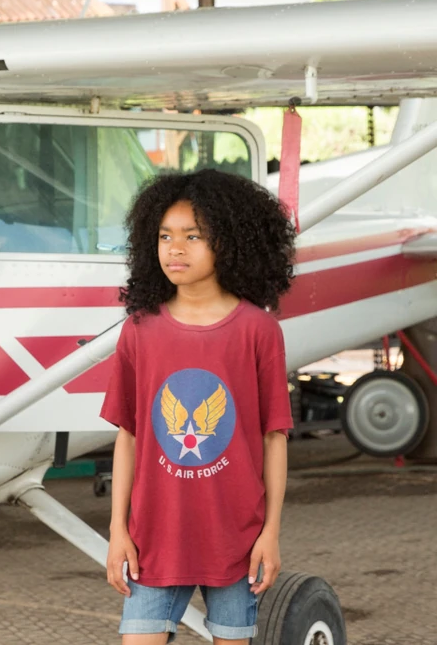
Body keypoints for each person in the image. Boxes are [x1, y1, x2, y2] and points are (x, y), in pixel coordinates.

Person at [101, 169, 296, 644]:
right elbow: (128, 436)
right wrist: (117, 530)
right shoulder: (139, 330)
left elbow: (274, 437)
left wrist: (270, 533)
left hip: (236, 543)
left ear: (228, 241)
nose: (175, 249)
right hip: (154, 543)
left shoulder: (258, 331)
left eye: (193, 236)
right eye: (165, 236)